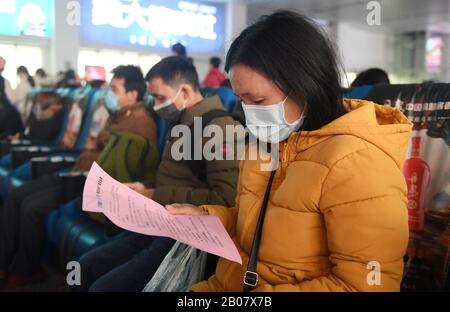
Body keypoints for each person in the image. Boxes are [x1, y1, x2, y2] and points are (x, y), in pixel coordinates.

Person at [168, 11, 412, 292]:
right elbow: (256, 225)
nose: (249, 112)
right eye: (241, 100)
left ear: (305, 84)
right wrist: (208, 218)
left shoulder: (357, 161)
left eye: (258, 100)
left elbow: (367, 285)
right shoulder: (268, 143)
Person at [75, 56, 243, 292]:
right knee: (85, 266)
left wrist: (155, 194)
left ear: (184, 91)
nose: (155, 105)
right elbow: (175, 177)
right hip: (160, 219)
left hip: (183, 234)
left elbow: (225, 198)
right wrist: (144, 189)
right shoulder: (182, 122)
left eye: (160, 98)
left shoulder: (219, 128)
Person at [0, 65, 158, 290]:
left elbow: (128, 167)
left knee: (30, 207)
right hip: (80, 168)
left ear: (133, 94)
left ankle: (24, 270)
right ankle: (6, 263)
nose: (109, 95)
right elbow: (97, 143)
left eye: (114, 90)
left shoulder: (141, 122)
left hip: (91, 180)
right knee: (17, 196)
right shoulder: (119, 116)